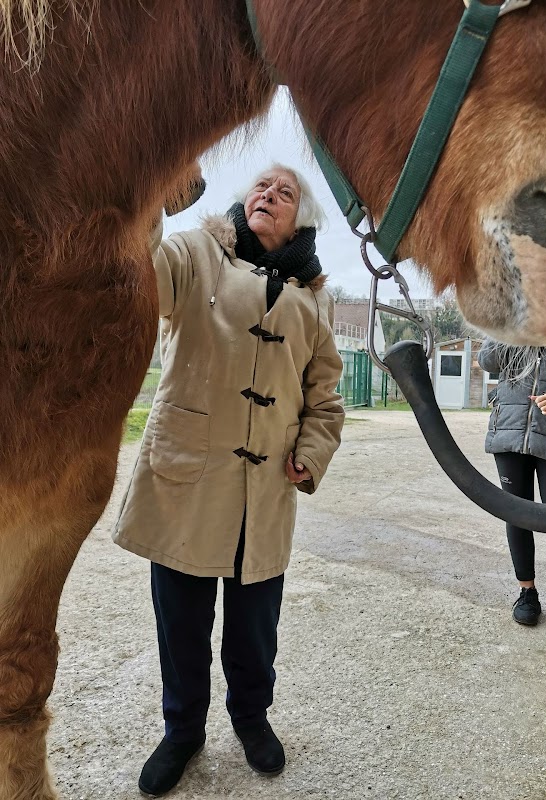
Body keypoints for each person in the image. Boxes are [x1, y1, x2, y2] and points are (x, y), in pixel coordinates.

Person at [114, 164, 345, 796]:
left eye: (286, 192)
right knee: (181, 620)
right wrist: (145, 200)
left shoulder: (316, 300)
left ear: (303, 222)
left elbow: (324, 402)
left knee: (254, 625)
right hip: (190, 472)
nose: (269, 194)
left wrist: (312, 452)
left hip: (265, 485)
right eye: (261, 186)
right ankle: (183, 730)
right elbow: (148, 279)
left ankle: (251, 719)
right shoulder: (199, 250)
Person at [478, 338, 546, 626]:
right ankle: (527, 593)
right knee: (517, 515)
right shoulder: (512, 322)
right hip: (508, 432)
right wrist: (512, 327)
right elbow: (487, 361)